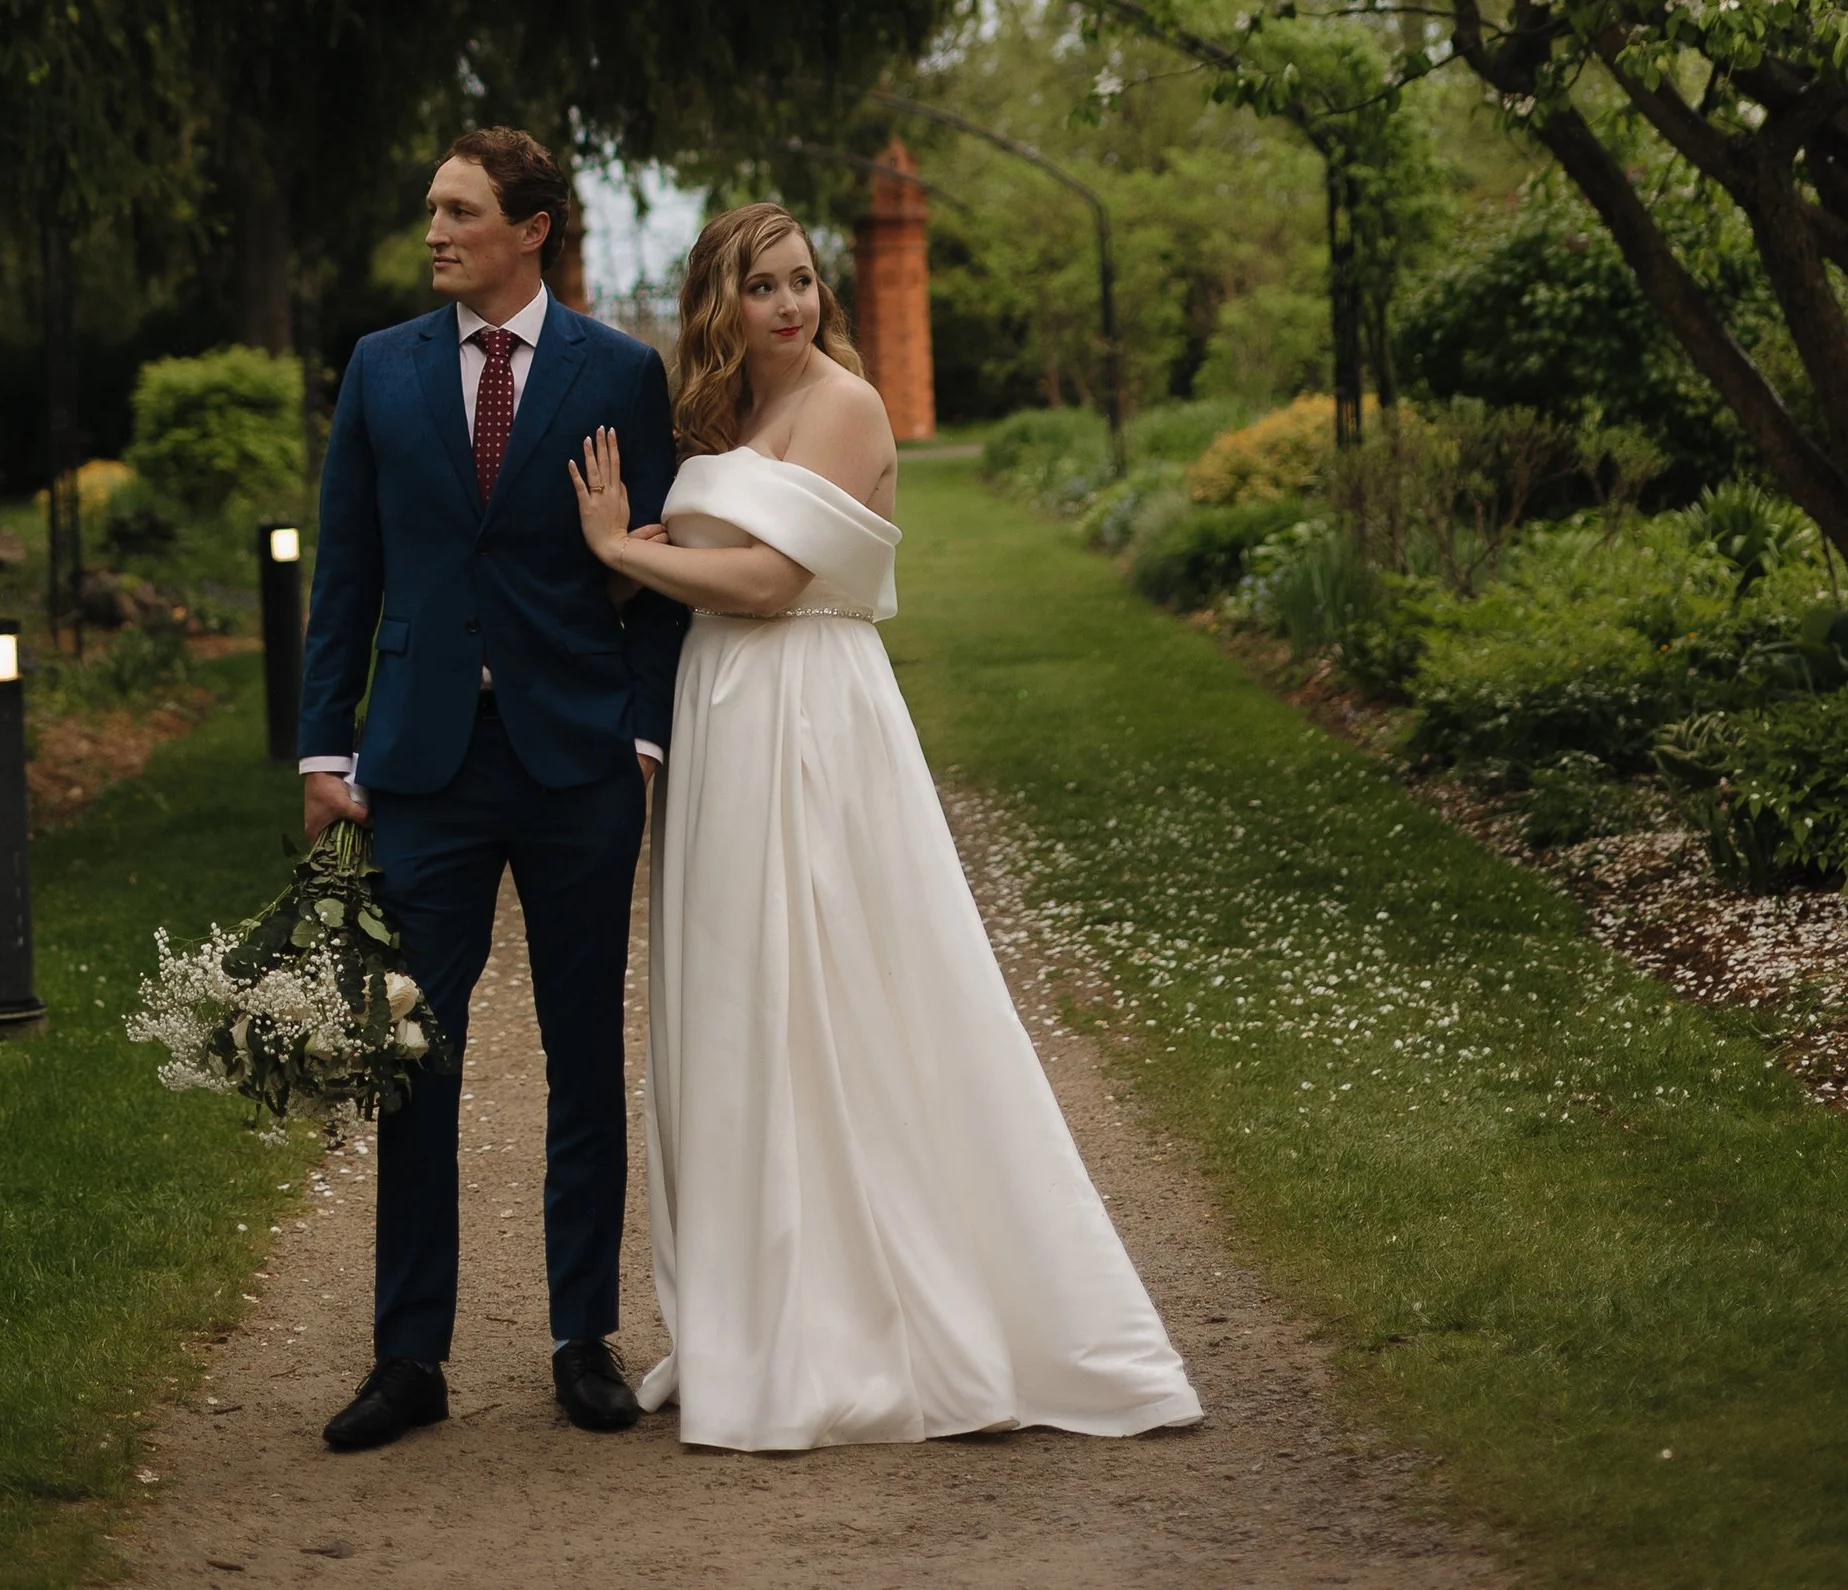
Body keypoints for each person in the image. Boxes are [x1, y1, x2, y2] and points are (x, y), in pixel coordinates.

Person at [569, 202, 1203, 1455]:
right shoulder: (729, 416)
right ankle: (762, 1312)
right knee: (743, 1004)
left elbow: (762, 584)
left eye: (805, 281)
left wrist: (622, 550)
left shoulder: (846, 404)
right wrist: (640, 548)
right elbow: (711, 564)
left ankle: (874, 1319)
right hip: (725, 717)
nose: (792, 304)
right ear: (723, 303)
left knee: (843, 993)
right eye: (765, 287)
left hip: (807, 715)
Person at [298, 126, 683, 1453]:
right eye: (430, 209)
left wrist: (640, 736)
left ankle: (585, 1337)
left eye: (461, 209)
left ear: (534, 227)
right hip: (422, 771)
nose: (435, 229)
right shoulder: (380, 368)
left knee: (585, 1058)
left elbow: (660, 576)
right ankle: (410, 1354)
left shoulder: (622, 372)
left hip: (577, 763)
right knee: (415, 1057)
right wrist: (319, 748)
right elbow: (345, 569)